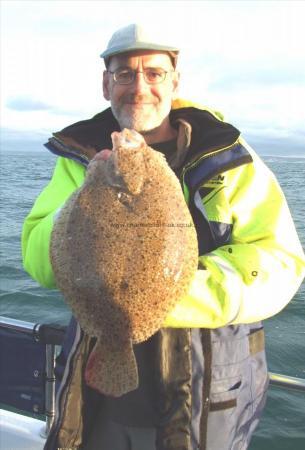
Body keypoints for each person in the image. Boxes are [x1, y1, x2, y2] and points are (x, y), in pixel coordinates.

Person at [22, 23, 305, 450]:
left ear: (175, 81)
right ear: (106, 84)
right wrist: (90, 196)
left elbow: (281, 264)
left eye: (154, 73)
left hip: (208, 398)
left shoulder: (230, 160)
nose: (139, 87)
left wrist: (166, 297)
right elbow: (38, 259)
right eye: (124, 74)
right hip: (92, 397)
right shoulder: (81, 160)